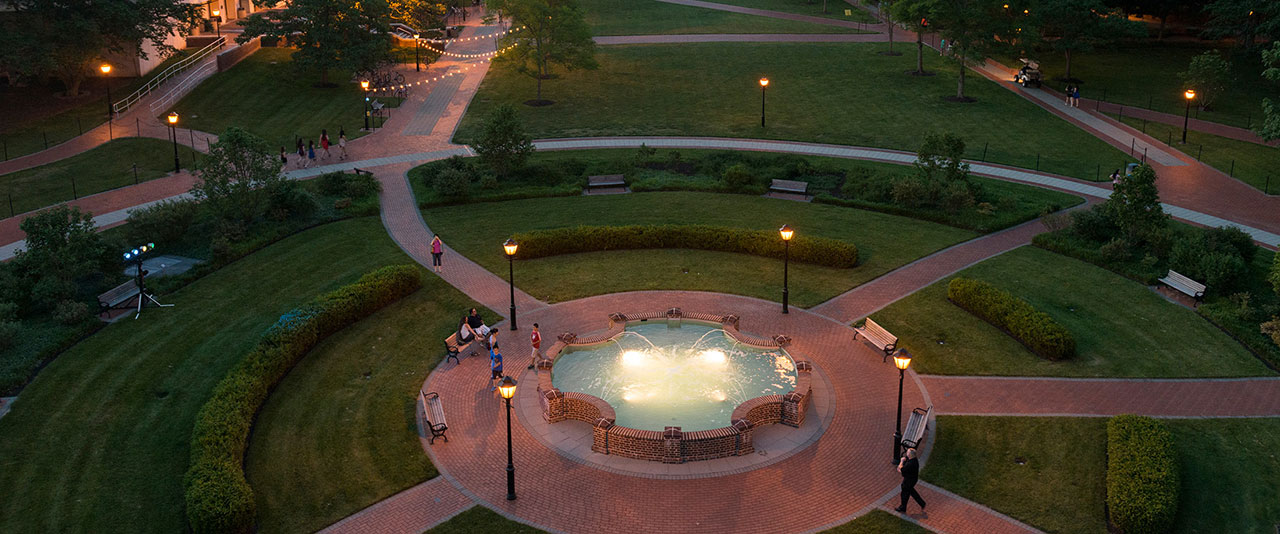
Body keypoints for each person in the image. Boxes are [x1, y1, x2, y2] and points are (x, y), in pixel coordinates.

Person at [895, 448, 926, 513]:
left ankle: (903, 507)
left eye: (907, 453)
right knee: (911, 491)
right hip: (913, 479)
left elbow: (901, 469)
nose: (906, 453)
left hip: (908, 481)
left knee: (904, 494)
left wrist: (901, 461)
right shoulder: (914, 460)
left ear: (910, 455)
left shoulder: (910, 464)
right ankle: (922, 503)